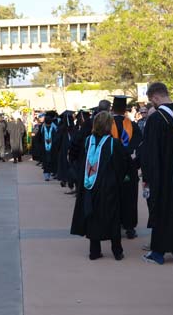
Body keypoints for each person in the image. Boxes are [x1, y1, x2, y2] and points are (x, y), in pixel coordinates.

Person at [141, 82, 173, 265]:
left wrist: (147, 177)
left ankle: (158, 252)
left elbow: (150, 152)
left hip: (163, 175)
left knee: (161, 210)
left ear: (155, 97)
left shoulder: (157, 118)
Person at [70, 111, 128, 260]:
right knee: (113, 217)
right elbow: (123, 165)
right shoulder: (113, 143)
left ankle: (94, 252)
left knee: (92, 216)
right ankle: (117, 251)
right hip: (108, 187)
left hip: (89, 186)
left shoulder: (88, 141)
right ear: (109, 125)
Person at [110, 96, 142, 239]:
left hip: (111, 167)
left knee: (113, 196)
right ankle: (129, 227)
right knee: (129, 196)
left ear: (112, 108)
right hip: (129, 166)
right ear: (125, 110)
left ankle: (113, 225)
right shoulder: (133, 125)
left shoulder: (106, 124)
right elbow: (139, 144)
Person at [39, 111, 58, 181]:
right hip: (49, 148)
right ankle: (48, 174)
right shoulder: (54, 127)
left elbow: (39, 137)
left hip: (50, 148)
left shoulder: (43, 127)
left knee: (48, 161)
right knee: (48, 161)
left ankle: (47, 175)